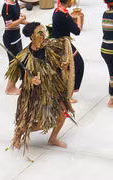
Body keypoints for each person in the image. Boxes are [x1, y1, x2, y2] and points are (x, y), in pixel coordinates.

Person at [7, 22, 74, 150]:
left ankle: (52, 139)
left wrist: (64, 66)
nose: (44, 35)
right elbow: (10, 86)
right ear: (32, 37)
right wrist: (30, 81)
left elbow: (57, 63)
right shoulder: (24, 56)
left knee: (62, 114)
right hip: (36, 95)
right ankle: (20, 130)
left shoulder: (50, 47)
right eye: (40, 33)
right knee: (45, 123)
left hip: (53, 89)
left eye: (44, 31)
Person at [52, 0, 85, 100]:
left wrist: (71, 18)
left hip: (56, 42)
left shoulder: (57, 11)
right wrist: (79, 18)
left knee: (67, 67)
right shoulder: (65, 16)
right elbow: (77, 31)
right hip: (63, 45)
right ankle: (67, 93)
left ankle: (65, 93)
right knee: (78, 64)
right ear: (69, 1)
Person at [0, 0, 27, 94]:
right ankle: (9, 88)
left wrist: (30, 24)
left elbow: (18, 20)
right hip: (10, 38)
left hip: (17, 36)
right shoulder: (6, 7)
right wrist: (21, 20)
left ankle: (16, 84)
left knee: (20, 61)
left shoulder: (15, 3)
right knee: (14, 63)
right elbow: (10, 25)